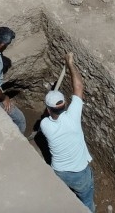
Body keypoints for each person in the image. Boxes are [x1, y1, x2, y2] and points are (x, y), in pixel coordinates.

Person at [40, 52, 95, 212]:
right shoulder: (73, 116)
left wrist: (49, 113)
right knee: (86, 200)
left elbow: (48, 117)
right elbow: (78, 87)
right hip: (79, 173)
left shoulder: (45, 125)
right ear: (65, 104)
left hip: (59, 171)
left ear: (49, 110)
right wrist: (70, 63)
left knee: (65, 195)